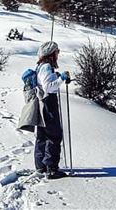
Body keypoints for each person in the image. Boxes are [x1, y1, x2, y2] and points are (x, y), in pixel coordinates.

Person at [34, 41, 70, 179]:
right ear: (51, 54)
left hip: (41, 103)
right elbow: (49, 87)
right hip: (48, 104)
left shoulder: (41, 66)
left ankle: (41, 167)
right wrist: (61, 78)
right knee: (54, 135)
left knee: (42, 136)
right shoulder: (47, 67)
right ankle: (52, 169)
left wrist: (57, 76)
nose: (58, 54)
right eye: (57, 51)